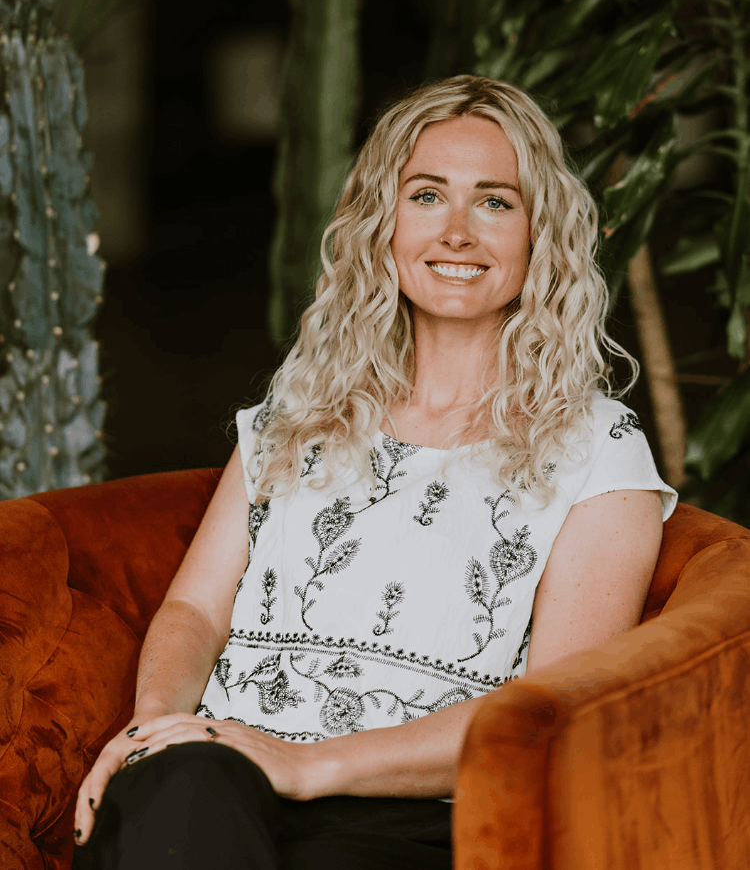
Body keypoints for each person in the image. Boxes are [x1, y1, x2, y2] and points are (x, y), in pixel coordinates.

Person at [73, 74, 676, 869]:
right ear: (382, 225)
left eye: (495, 202)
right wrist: (156, 729)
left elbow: (547, 714)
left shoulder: (598, 448)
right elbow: (194, 607)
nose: (457, 230)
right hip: (209, 779)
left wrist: (300, 764)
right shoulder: (304, 409)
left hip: (408, 813)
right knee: (180, 800)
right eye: (427, 195)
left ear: (541, 237)